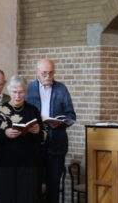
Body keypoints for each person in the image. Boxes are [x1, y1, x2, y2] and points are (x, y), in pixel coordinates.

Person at [26, 59, 76, 203]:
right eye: (44, 73)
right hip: (35, 143)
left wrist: (60, 123)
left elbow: (71, 115)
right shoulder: (29, 89)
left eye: (51, 73)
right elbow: (24, 114)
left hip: (57, 143)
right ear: (37, 73)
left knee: (53, 185)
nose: (48, 76)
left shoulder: (61, 89)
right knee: (34, 183)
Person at [0, 75, 43, 203]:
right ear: (9, 91)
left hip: (28, 165)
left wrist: (37, 132)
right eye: (14, 92)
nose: (18, 96)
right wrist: (5, 134)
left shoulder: (32, 110)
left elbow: (40, 140)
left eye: (21, 92)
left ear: (26, 92)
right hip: (4, 166)